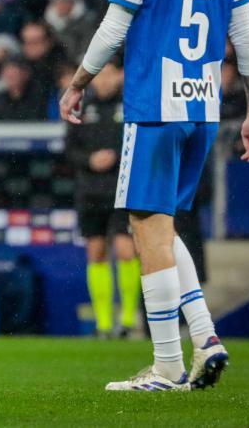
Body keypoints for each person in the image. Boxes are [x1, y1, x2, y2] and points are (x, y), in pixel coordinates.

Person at [59, 0, 249, 391]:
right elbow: (245, 39)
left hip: (154, 106)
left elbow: (113, 26)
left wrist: (78, 83)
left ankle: (167, 366)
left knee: (143, 227)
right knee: (162, 226)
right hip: (203, 109)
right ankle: (205, 337)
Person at [63, 61, 141, 338]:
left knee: (125, 250)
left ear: (121, 74)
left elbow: (142, 142)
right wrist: (90, 159)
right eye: (100, 74)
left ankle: (129, 320)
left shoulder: (132, 103)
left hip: (123, 189)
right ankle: (104, 324)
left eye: (109, 73)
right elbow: (69, 149)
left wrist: (118, 157)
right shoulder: (81, 106)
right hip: (90, 189)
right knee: (96, 253)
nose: (104, 80)